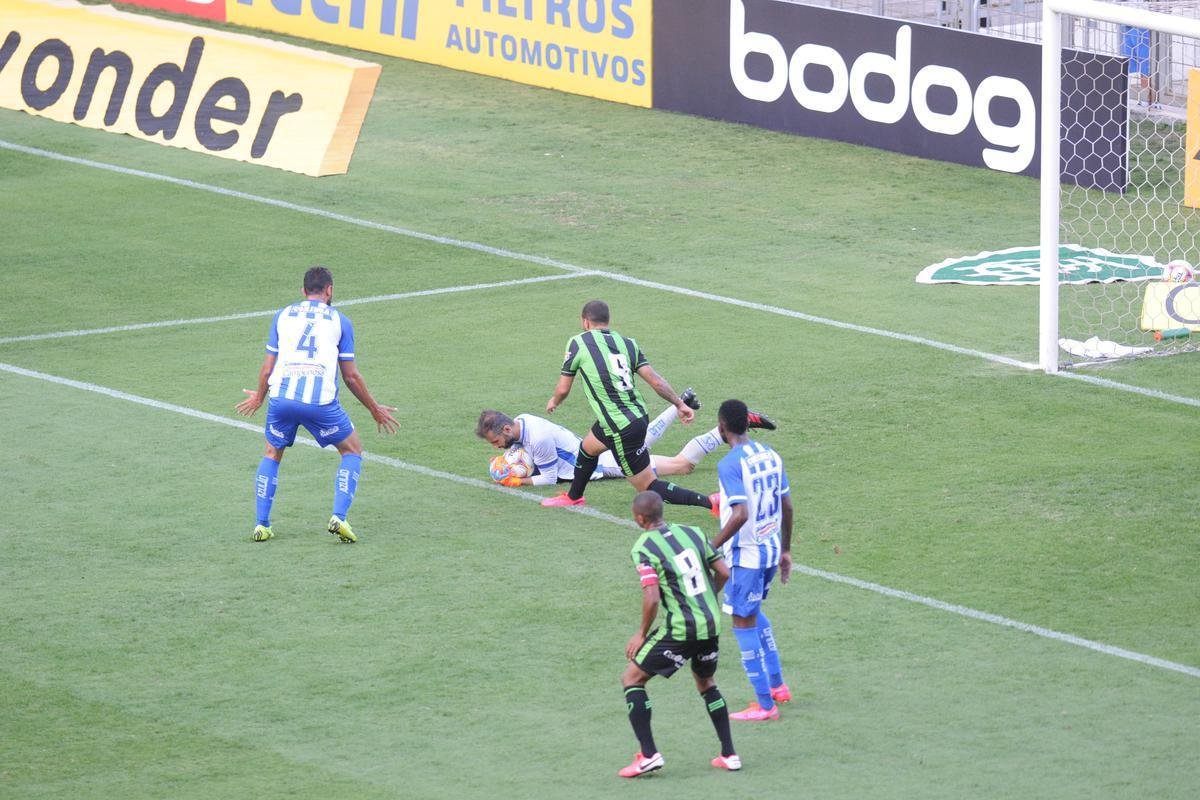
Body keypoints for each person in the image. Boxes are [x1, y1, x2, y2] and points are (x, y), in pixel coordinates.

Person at [235, 266, 399, 543]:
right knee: (352, 450)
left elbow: (266, 370)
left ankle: (261, 525)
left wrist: (259, 397)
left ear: (303, 291)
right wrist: (374, 409)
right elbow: (351, 376)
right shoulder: (340, 321)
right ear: (330, 290)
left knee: (272, 453)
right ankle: (339, 517)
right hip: (320, 403)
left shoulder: (283, 315)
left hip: (281, 399)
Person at [540, 300, 715, 512]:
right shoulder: (628, 344)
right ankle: (574, 496)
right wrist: (679, 403)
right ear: (608, 321)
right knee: (587, 448)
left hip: (620, 426)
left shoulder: (578, 343)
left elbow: (563, 389)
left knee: (648, 485)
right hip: (635, 415)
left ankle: (711, 502)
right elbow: (655, 380)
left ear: (585, 322)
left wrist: (554, 401)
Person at [618, 491, 739, 778]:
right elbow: (723, 571)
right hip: (711, 623)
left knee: (632, 679)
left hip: (682, 628)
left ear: (639, 518)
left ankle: (648, 755)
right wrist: (708, 598)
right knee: (706, 682)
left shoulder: (644, 547)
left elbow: (652, 598)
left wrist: (641, 634)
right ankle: (729, 754)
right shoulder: (693, 532)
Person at [474, 394, 777, 487]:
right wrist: (505, 461)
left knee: (683, 466)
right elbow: (522, 451)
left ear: (504, 430)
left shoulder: (536, 437)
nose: (496, 447)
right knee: (643, 438)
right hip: (603, 453)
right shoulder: (523, 421)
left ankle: (728, 427)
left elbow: (551, 478)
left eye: (494, 442)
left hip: (609, 464)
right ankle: (678, 405)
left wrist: (516, 481)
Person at [711, 398, 793, 721]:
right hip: (772, 551)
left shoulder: (729, 464)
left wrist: (712, 547)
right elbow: (787, 507)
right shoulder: (771, 454)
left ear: (721, 427)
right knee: (754, 613)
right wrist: (786, 550)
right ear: (748, 423)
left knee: (742, 621)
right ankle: (778, 687)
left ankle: (765, 705)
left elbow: (740, 514)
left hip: (746, 557)